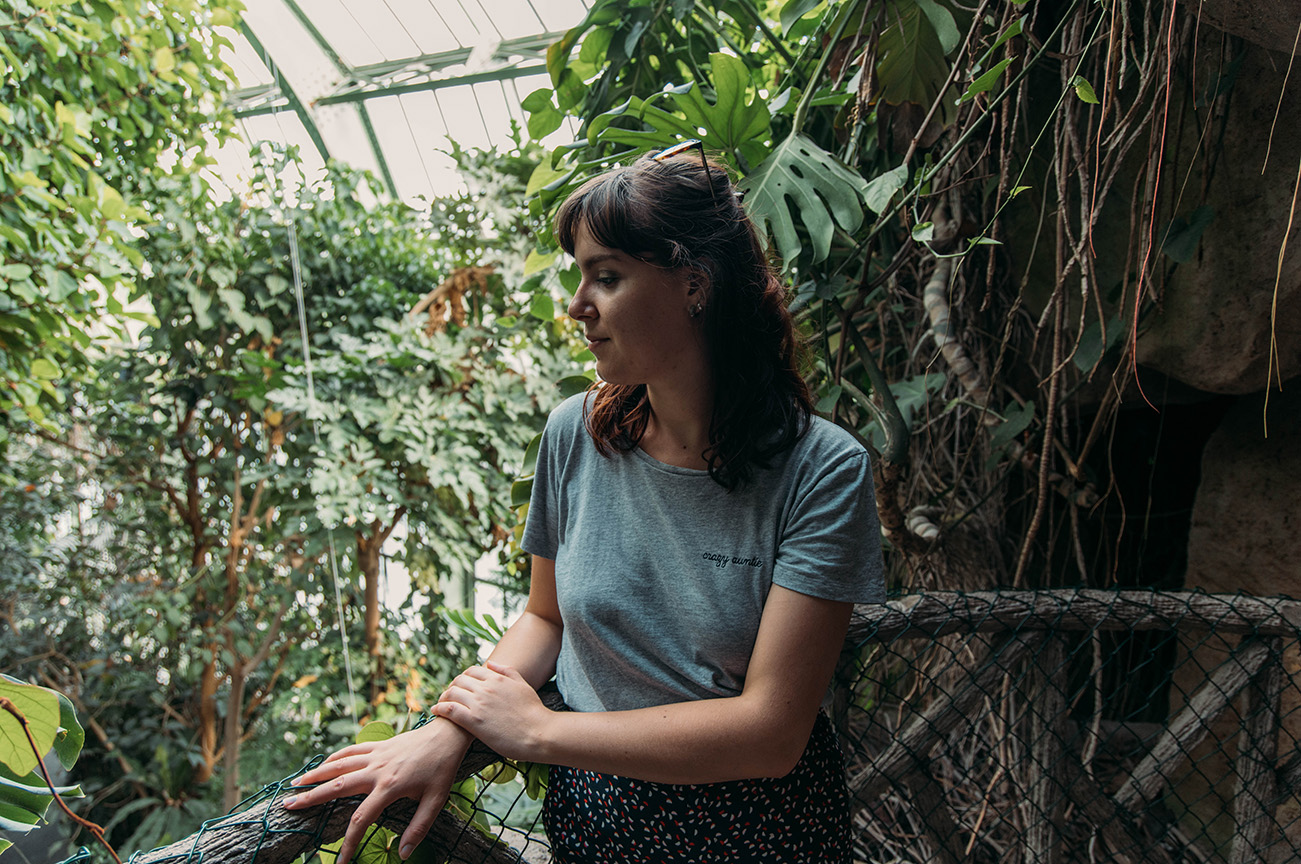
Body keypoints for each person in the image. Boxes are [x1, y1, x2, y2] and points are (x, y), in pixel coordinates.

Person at [282, 142, 885, 863]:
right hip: (594, 823)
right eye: (579, 278)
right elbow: (545, 617)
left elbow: (770, 733)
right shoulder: (577, 432)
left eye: (606, 277)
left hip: (758, 833)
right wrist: (452, 727)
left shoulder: (821, 470)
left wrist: (535, 733)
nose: (576, 307)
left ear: (694, 285)